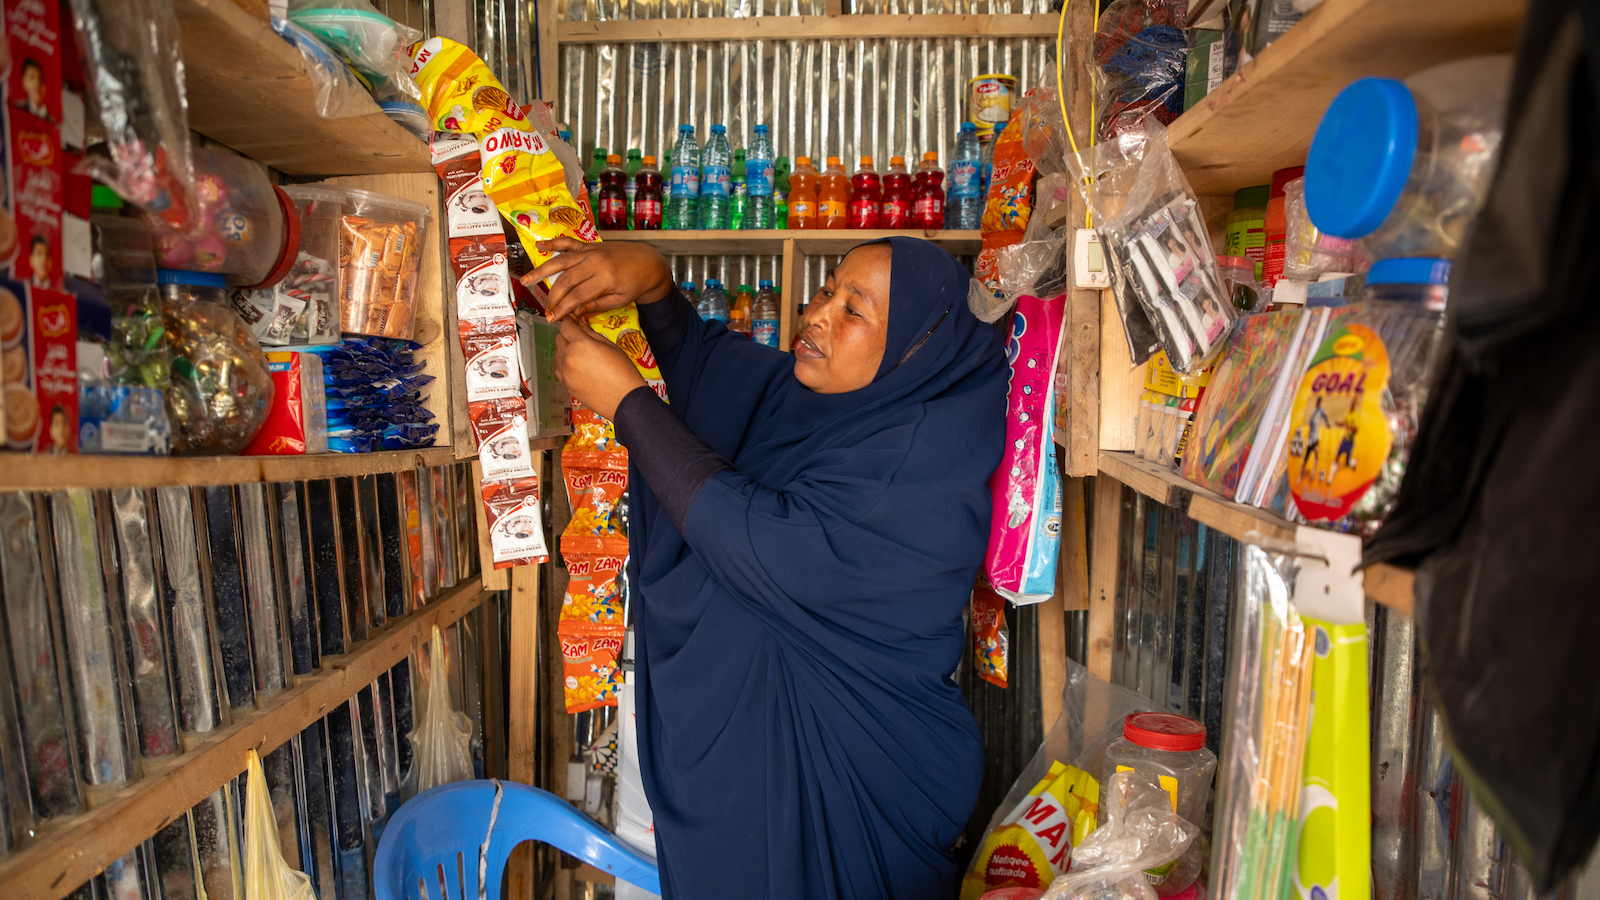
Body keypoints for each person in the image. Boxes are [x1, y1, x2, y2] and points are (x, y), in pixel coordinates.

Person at [530, 235, 1007, 899]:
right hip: (763, 773)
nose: (817, 315)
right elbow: (722, 375)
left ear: (916, 349)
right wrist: (656, 287)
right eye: (827, 289)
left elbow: (761, 541)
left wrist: (629, 406)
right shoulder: (831, 402)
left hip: (858, 781)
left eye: (853, 310)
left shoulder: (914, 471)